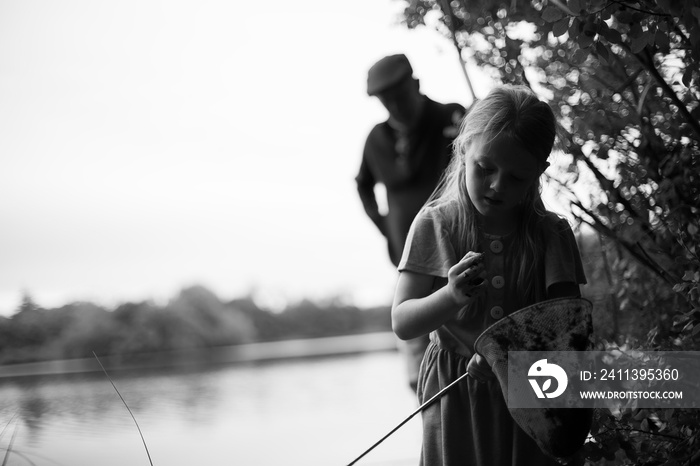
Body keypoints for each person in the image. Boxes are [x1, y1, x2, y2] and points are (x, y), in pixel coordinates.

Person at [391, 85, 587, 465]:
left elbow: (569, 330)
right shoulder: (436, 224)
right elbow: (402, 321)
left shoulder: (551, 234)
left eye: (517, 177)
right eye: (485, 169)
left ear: (539, 173)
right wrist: (449, 296)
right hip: (456, 391)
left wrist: (510, 356)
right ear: (463, 150)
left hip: (533, 386)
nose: (498, 185)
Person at [356, 54, 465, 392]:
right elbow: (363, 184)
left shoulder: (450, 116)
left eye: (400, 97)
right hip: (410, 263)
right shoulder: (376, 138)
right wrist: (385, 226)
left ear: (415, 86)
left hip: (459, 256)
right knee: (420, 373)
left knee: (472, 353)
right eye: (386, 102)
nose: (395, 107)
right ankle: (436, 428)